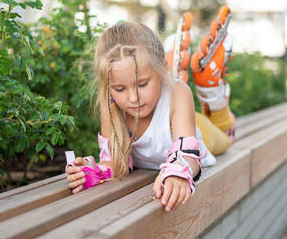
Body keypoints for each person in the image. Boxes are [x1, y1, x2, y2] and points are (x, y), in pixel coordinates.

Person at [66, 19, 234, 212]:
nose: (132, 98)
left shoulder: (179, 93)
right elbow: (114, 162)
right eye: (120, 88)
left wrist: (178, 173)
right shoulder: (111, 103)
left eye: (142, 84)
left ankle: (216, 103)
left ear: (161, 69)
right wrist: (91, 173)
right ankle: (175, 68)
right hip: (175, 124)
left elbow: (189, 155)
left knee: (224, 135)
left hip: (196, 131)